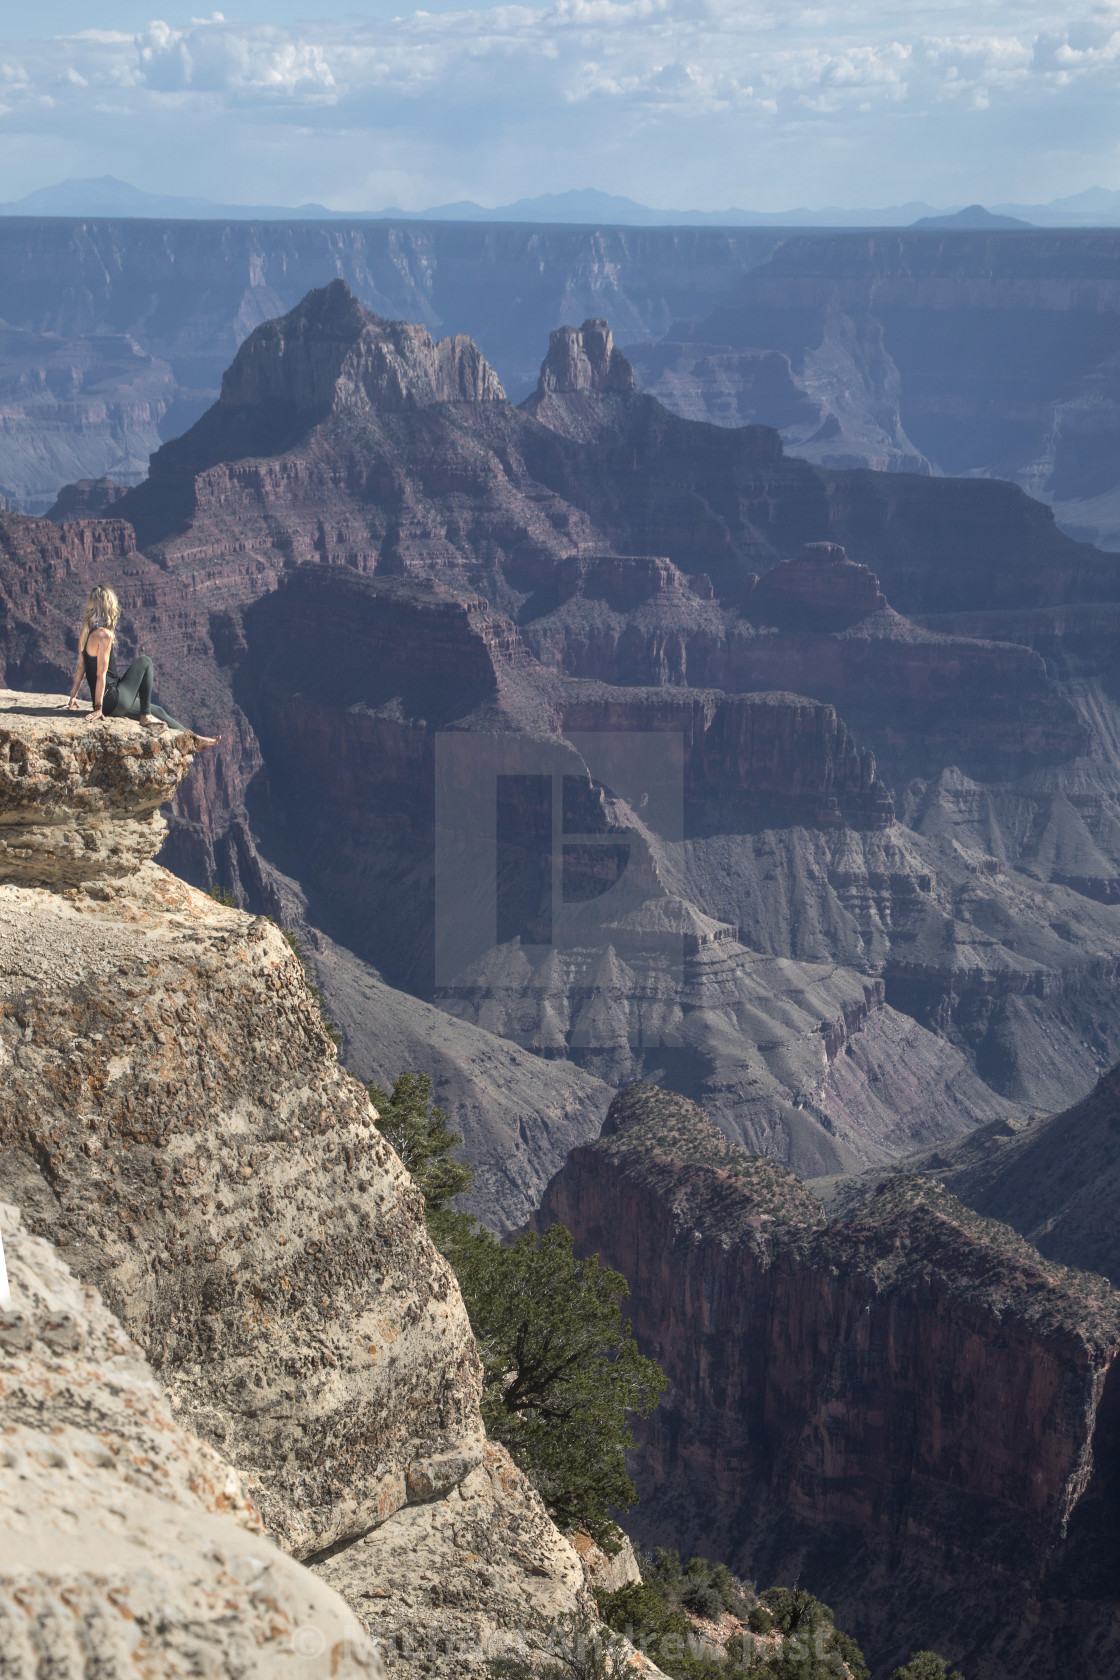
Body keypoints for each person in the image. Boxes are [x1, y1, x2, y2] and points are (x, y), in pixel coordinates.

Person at [65, 585, 219, 746]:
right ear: (109, 605)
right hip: (112, 698)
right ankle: (145, 716)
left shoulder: (86, 630)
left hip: (110, 700)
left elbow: (81, 667)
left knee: (158, 711)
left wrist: (73, 697)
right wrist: (98, 708)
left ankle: (196, 740)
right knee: (145, 661)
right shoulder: (104, 635)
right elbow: (101, 674)